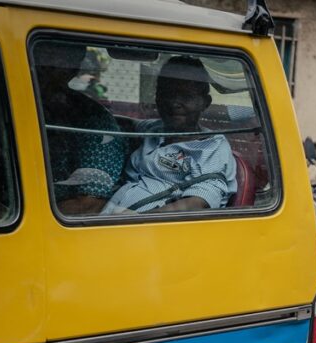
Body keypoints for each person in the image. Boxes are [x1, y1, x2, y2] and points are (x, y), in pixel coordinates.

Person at [102, 56, 237, 214]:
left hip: (149, 230)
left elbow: (198, 202)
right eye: (167, 94)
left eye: (186, 96)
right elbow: (128, 124)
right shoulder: (155, 129)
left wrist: (136, 221)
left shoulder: (211, 148)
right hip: (110, 215)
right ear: (157, 97)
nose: (174, 103)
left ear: (205, 102)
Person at [34, 41, 127, 216]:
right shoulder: (5, 103)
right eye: (41, 57)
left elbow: (89, 203)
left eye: (52, 61)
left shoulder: (93, 121)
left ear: (72, 68)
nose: (42, 66)